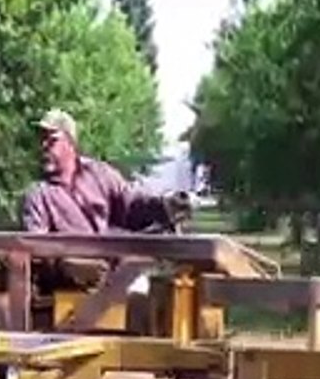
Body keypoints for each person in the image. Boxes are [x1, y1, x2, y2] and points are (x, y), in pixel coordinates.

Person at [18, 108, 193, 291]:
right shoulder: (38, 196)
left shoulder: (99, 174)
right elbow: (36, 247)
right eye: (42, 141)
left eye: (51, 140)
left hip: (116, 277)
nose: (44, 146)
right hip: (69, 292)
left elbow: (130, 203)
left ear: (70, 143)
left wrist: (163, 206)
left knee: (155, 291)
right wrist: (66, 265)